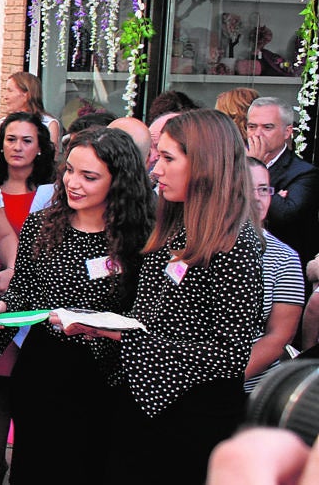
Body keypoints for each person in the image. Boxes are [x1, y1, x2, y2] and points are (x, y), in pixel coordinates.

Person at [93, 109, 263, 483]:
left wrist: (130, 338)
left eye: (168, 158)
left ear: (205, 164)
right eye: (158, 156)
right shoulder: (172, 227)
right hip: (143, 403)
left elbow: (229, 355)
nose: (155, 170)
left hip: (191, 420)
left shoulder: (237, 245)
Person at [0, 127, 153, 484]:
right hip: (44, 367)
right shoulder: (42, 225)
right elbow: (23, 292)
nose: (73, 182)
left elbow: (144, 316)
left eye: (89, 177)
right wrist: (1, 309)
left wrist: (100, 328)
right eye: (70, 170)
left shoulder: (141, 238)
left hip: (105, 374)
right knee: (36, 465)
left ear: (118, 182)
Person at [0, 111, 57, 484]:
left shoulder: (53, 193)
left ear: (40, 148)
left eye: (27, 140)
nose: (17, 147)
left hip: (37, 292)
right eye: (10, 139)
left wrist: (19, 274)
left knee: (32, 380)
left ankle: (26, 462)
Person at [244, 157, 304, 393]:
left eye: (263, 189)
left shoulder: (285, 258)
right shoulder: (203, 244)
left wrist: (225, 383)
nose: (257, 198)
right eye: (248, 189)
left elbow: (279, 337)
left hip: (248, 390)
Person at [247, 96, 318, 265]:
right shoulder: (234, 165)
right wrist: (274, 194)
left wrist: (254, 169)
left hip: (281, 267)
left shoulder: (304, 173)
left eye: (267, 127)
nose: (257, 134)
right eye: (252, 127)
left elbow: (285, 216)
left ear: (287, 132)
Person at [0, 71, 62, 150]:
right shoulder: (3, 123)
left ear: (27, 95)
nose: (5, 96)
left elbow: (51, 157)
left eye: (10, 91)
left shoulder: (48, 124)